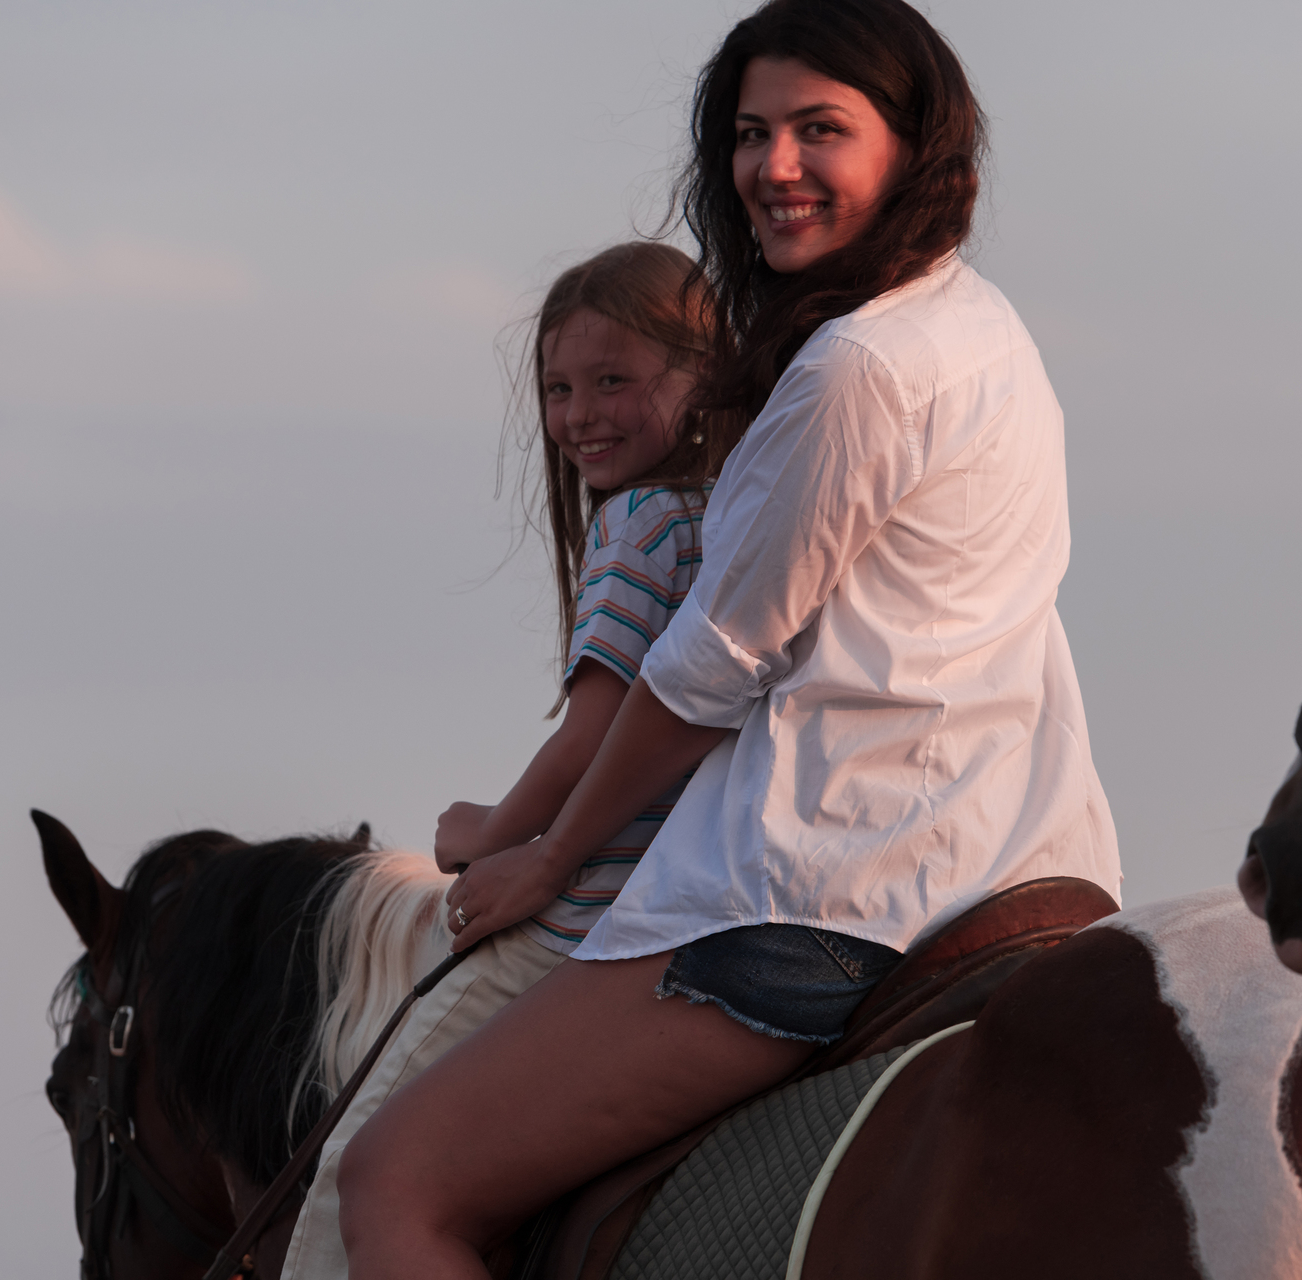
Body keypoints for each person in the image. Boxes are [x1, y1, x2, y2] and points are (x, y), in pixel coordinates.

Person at [337, 1, 1122, 1275]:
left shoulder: (856, 367)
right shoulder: (982, 327)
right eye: (755, 134)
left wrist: (547, 859)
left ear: (914, 145)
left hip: (818, 891)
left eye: (824, 130)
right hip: (1018, 852)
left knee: (396, 1179)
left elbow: (707, 666)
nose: (777, 167)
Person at [281, 241, 718, 1280]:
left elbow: (594, 729)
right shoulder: (727, 520)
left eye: (615, 379)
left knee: (351, 1185)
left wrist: (497, 829)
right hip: (693, 891)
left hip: (587, 921)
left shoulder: (637, 526)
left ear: (704, 378)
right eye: (560, 389)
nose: (580, 414)